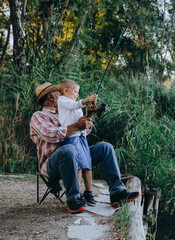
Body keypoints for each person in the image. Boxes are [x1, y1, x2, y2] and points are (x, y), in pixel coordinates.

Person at [30, 82, 140, 213]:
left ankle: (117, 192)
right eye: (58, 93)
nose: (61, 95)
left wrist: (88, 117)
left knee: (106, 147)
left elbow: (83, 132)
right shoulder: (39, 116)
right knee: (68, 150)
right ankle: (74, 199)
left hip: (76, 154)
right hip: (53, 165)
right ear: (50, 97)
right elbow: (50, 134)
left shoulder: (65, 110)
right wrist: (77, 125)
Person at [57, 79, 98, 206]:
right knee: (79, 165)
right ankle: (77, 193)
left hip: (81, 137)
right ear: (66, 91)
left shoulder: (75, 105)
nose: (77, 94)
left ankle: (89, 192)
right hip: (72, 139)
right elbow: (74, 105)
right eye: (75, 92)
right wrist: (87, 99)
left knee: (87, 164)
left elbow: (80, 120)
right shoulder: (62, 100)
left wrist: (89, 113)